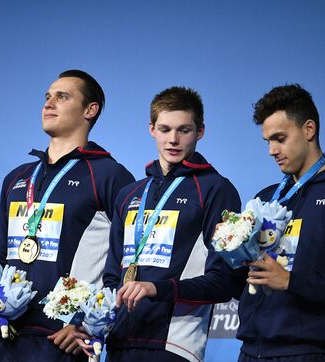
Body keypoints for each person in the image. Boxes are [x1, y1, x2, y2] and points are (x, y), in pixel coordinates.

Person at [0, 68, 134, 361]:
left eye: (62, 96)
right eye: (47, 97)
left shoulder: (111, 176)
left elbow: (126, 263)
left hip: (62, 342)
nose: (49, 103)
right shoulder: (17, 179)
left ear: (90, 109)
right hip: (5, 338)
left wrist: (88, 324)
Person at [91, 86, 242, 361]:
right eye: (164, 129)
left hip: (174, 344)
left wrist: (157, 289)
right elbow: (113, 274)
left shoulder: (215, 190)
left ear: (200, 131)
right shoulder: (130, 194)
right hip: (120, 340)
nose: (173, 139)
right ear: (151, 129)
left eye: (184, 130)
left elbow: (225, 281)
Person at [237, 84, 325, 361]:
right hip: (249, 350)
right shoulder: (266, 198)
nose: (271, 150)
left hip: (303, 352)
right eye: (267, 141)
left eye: (279, 138)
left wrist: (291, 281)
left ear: (309, 129)